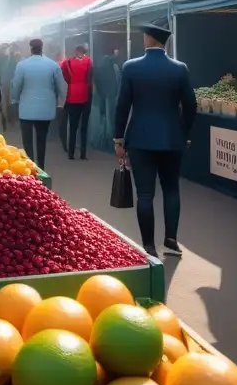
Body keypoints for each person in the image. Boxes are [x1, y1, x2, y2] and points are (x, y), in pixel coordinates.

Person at [114, 23, 197, 258]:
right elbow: (191, 105)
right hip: (172, 138)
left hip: (140, 139)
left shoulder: (131, 67)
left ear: (149, 39)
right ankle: (171, 241)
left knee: (145, 194)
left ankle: (148, 246)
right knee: (171, 189)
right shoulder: (180, 69)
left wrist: (118, 139)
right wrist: (185, 133)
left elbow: (122, 106)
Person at [11, 39, 66, 170]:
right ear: (43, 48)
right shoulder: (53, 65)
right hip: (46, 110)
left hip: (26, 110)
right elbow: (62, 87)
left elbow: (16, 85)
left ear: (30, 48)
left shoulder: (22, 65)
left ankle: (29, 166)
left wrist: (15, 99)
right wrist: (62, 102)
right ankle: (41, 165)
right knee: (42, 139)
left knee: (27, 141)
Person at [62, 44, 94, 160]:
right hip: (85, 95)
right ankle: (83, 153)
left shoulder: (67, 62)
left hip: (72, 96)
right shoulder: (89, 61)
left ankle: (71, 153)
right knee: (84, 127)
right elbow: (90, 78)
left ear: (76, 52)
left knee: (73, 126)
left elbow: (64, 76)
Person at [95, 47, 122, 143]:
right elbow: (118, 81)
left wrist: (100, 92)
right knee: (111, 117)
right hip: (111, 95)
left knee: (104, 116)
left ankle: (103, 137)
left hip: (103, 95)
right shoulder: (114, 67)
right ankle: (110, 137)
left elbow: (97, 82)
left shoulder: (99, 68)